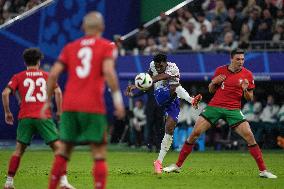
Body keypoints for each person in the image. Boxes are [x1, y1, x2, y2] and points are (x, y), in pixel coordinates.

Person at [41, 12, 125, 189]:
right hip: (92, 106)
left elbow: (53, 74)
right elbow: (109, 72)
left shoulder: (71, 47)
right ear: (102, 28)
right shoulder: (105, 46)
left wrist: (47, 103)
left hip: (70, 106)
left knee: (63, 151)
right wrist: (118, 101)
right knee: (99, 153)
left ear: (83, 28)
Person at [163, 49, 277, 179]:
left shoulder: (248, 75)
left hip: (233, 109)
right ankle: (177, 166)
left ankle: (263, 171)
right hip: (215, 107)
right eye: (238, 59)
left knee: (250, 137)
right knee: (194, 134)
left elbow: (249, 98)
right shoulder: (220, 71)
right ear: (231, 59)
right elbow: (211, 90)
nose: (241, 62)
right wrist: (214, 82)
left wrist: (245, 90)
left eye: (242, 59)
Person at [1, 48, 74, 189]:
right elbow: (58, 92)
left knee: (18, 151)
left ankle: (9, 182)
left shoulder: (18, 76)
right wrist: (59, 111)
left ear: (25, 62)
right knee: (59, 149)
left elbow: (5, 93)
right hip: (43, 116)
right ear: (39, 61)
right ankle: (64, 182)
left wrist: (7, 113)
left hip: (26, 117)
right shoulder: (47, 75)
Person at [125, 53, 202, 174]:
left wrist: (141, 83)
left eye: (160, 65)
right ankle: (192, 100)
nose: (158, 67)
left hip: (173, 100)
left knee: (170, 129)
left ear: (166, 62)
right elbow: (150, 77)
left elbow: (158, 77)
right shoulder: (152, 65)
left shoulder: (173, 68)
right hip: (160, 94)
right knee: (175, 86)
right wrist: (137, 85)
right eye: (156, 65)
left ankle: (159, 162)